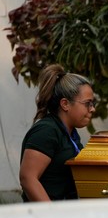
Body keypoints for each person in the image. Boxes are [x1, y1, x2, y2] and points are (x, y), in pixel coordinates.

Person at [19, 64, 95, 202]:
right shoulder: (46, 131)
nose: (92, 109)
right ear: (65, 104)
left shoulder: (70, 133)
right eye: (87, 103)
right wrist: (51, 215)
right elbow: (27, 178)